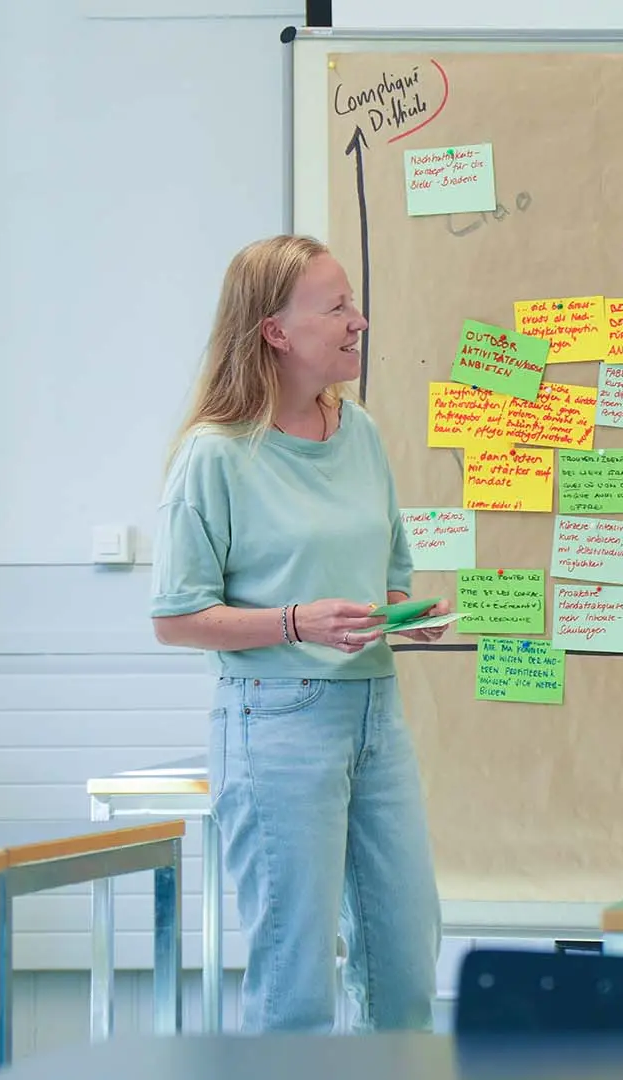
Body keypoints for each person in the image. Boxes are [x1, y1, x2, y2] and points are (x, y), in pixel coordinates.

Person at [150, 234, 451, 1034]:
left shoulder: (361, 433)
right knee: (298, 984)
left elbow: (389, 567)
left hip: (375, 714)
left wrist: (399, 612)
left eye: (353, 303)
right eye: (337, 307)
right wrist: (295, 621)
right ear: (275, 331)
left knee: (406, 966)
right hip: (275, 720)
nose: (359, 321)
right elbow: (175, 617)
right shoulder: (214, 455)